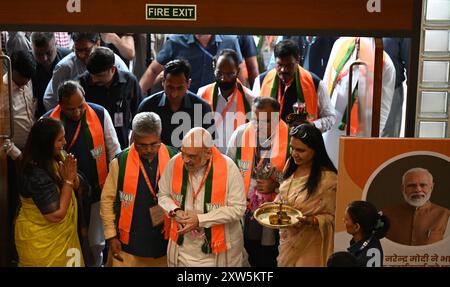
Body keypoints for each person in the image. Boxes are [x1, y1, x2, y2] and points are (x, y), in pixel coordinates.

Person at [45, 80, 121, 266]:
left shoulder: (100, 113)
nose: (78, 112)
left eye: (81, 105)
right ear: (60, 104)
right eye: (71, 109)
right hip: (62, 195)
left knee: (96, 243)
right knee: (67, 241)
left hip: (96, 191)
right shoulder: (47, 122)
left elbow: (114, 150)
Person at [158, 127, 246, 266]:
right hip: (183, 250)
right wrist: (175, 211)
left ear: (208, 153)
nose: (185, 160)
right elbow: (163, 195)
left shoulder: (229, 167)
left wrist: (201, 220)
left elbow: (238, 208)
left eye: (192, 156)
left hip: (218, 252)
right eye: (183, 154)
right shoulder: (175, 163)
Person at [100, 112, 178, 267]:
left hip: (166, 242)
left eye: (154, 144)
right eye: (142, 145)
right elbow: (107, 201)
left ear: (160, 138)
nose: (148, 149)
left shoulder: (174, 157)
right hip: (128, 245)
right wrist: (110, 236)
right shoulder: (120, 162)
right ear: (133, 139)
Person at [227, 97, 288, 267]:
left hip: (278, 208)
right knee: (249, 250)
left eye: (266, 121)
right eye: (255, 120)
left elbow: (296, 181)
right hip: (246, 206)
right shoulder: (240, 134)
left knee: (270, 255)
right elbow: (228, 171)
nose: (259, 126)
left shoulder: (290, 138)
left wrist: (275, 185)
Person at [14, 117, 84, 267]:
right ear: (45, 144)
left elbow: (78, 184)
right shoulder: (34, 172)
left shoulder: (58, 156)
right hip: (40, 243)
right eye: (60, 140)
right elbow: (56, 214)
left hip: (64, 240)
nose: (64, 142)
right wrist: (68, 182)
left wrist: (73, 179)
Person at [322, 37, 396, 167]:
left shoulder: (385, 64)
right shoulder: (340, 44)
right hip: (330, 125)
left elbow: (383, 111)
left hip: (360, 131)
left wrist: (372, 142)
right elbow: (326, 80)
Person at [276, 123, 337, 267]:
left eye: (300, 150)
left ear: (315, 150)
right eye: (292, 148)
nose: (294, 154)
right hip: (287, 239)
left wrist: (311, 220)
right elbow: (283, 193)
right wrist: (274, 204)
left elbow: (334, 217)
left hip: (311, 243)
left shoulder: (328, 179)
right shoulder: (290, 165)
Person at [253, 39, 335, 132]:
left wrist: (311, 126)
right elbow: (253, 116)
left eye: (289, 65)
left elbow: (330, 118)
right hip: (269, 142)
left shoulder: (315, 83)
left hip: (302, 143)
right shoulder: (261, 81)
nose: (283, 70)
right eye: (279, 65)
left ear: (298, 61)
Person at [137, 59, 215, 148]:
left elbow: (209, 146)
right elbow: (137, 141)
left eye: (179, 88)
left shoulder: (201, 108)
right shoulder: (148, 106)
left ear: (188, 83)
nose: (174, 94)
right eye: (170, 87)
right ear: (163, 81)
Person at [43, 32, 129, 111]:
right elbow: (53, 99)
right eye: (77, 50)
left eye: (86, 50)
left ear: (98, 44)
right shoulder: (64, 68)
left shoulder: (115, 62)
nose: (81, 55)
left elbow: (128, 87)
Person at [78, 46, 143, 149]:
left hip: (121, 140)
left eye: (99, 76)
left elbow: (139, 112)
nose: (94, 80)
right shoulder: (81, 83)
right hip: (92, 140)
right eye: (92, 75)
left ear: (112, 69)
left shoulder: (129, 81)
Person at [139, 34, 245, 94]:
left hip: (218, 104)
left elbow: (239, 72)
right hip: (184, 105)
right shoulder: (176, 41)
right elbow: (153, 70)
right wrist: (137, 100)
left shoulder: (230, 40)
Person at [198, 49, 254, 153]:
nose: (224, 79)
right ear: (214, 68)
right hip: (210, 156)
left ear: (237, 71)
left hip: (239, 157)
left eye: (230, 74)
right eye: (220, 73)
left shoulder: (250, 99)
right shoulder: (202, 94)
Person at [381, 167, 450, 246]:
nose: (418, 190)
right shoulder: (385, 214)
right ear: (402, 188)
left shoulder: (446, 216)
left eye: (423, 185)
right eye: (411, 185)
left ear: (432, 187)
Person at [30, 32, 71, 117]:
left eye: (48, 53)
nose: (44, 59)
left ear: (56, 44)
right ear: (31, 48)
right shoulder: (27, 63)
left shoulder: (68, 59)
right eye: (38, 54)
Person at [344, 200, 390, 267]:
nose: (343, 220)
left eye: (346, 219)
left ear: (356, 227)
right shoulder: (372, 242)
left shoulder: (367, 254)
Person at [383, 38, 410, 137]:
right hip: (363, 89)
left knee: (389, 135)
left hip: (392, 89)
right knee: (362, 135)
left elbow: (409, 57)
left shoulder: (400, 24)